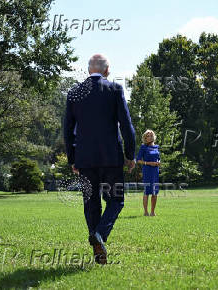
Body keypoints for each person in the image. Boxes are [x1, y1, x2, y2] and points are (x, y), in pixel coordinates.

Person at [64, 54, 136, 264]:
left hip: (85, 159)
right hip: (111, 157)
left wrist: (72, 159)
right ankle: (100, 236)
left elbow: (68, 130)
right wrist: (130, 155)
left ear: (89, 70)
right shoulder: (115, 90)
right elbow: (126, 125)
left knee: (91, 202)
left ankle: (98, 244)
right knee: (116, 200)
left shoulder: (74, 93)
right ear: (107, 70)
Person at [136, 130, 161, 216]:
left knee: (155, 191)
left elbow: (158, 157)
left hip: (155, 171)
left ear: (153, 136)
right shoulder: (143, 147)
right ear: (145, 138)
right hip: (147, 170)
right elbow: (138, 160)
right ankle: (146, 212)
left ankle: (152, 212)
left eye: (151, 135)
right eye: (148, 136)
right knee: (147, 191)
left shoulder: (157, 147)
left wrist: (158, 161)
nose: (150, 137)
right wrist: (149, 163)